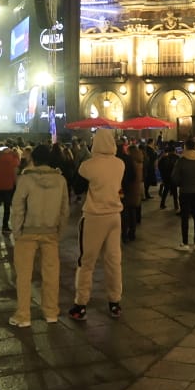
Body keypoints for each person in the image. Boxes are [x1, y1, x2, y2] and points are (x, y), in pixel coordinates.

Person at [9, 143, 68, 327]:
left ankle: (23, 315)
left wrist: (16, 230)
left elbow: (17, 208)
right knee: (51, 274)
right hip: (50, 231)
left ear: (33, 159)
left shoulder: (26, 179)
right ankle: (51, 311)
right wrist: (60, 232)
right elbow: (64, 210)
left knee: (24, 275)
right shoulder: (60, 180)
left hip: (28, 231)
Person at [70, 128, 126, 320]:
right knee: (113, 260)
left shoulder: (88, 166)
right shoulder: (120, 164)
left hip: (94, 216)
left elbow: (78, 187)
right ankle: (115, 302)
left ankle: (81, 304)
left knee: (87, 261)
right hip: (115, 216)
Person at [173, 140, 195, 246]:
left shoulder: (181, 161)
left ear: (185, 147)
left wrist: (181, 183)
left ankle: (185, 242)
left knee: (185, 217)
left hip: (184, 191)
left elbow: (174, 177)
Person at [0, 143, 20, 232]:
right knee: (7, 208)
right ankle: (5, 226)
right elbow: (18, 161)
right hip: (8, 186)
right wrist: (14, 153)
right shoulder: (13, 159)